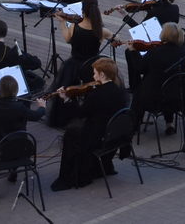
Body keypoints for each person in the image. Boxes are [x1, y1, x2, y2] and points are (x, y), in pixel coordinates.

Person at [51, 58, 128, 192]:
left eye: (95, 73)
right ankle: (102, 167)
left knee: (70, 134)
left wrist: (67, 99)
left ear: (102, 75)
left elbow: (80, 113)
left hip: (99, 136)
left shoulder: (97, 94)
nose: (93, 76)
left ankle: (70, 176)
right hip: (114, 135)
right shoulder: (119, 90)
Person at [0, 75, 46, 165]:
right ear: (16, 90)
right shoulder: (19, 107)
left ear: (0, 89)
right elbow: (36, 116)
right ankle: (14, 171)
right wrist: (42, 107)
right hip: (19, 151)